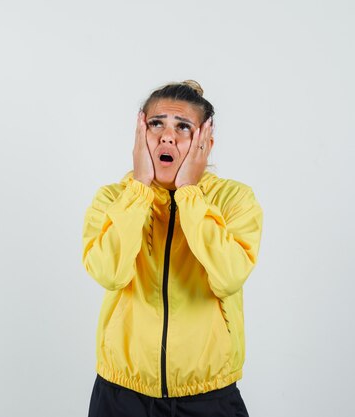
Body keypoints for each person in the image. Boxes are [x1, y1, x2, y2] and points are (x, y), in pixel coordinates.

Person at [82, 80, 263, 417]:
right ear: (140, 135)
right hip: (121, 395)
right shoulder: (112, 200)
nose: (167, 136)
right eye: (156, 124)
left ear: (206, 142)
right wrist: (138, 191)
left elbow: (228, 276)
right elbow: (109, 273)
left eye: (183, 127)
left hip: (208, 397)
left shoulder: (235, 200)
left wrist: (189, 194)